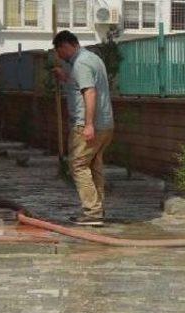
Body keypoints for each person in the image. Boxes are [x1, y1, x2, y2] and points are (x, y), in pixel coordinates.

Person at [52, 30, 114, 226]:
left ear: (66, 45)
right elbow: (81, 84)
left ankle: (92, 212)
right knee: (94, 165)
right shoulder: (92, 59)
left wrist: (88, 124)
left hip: (87, 125)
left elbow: (90, 93)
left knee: (78, 166)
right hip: (106, 124)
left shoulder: (81, 63)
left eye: (58, 50)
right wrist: (65, 78)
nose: (58, 55)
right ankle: (98, 208)